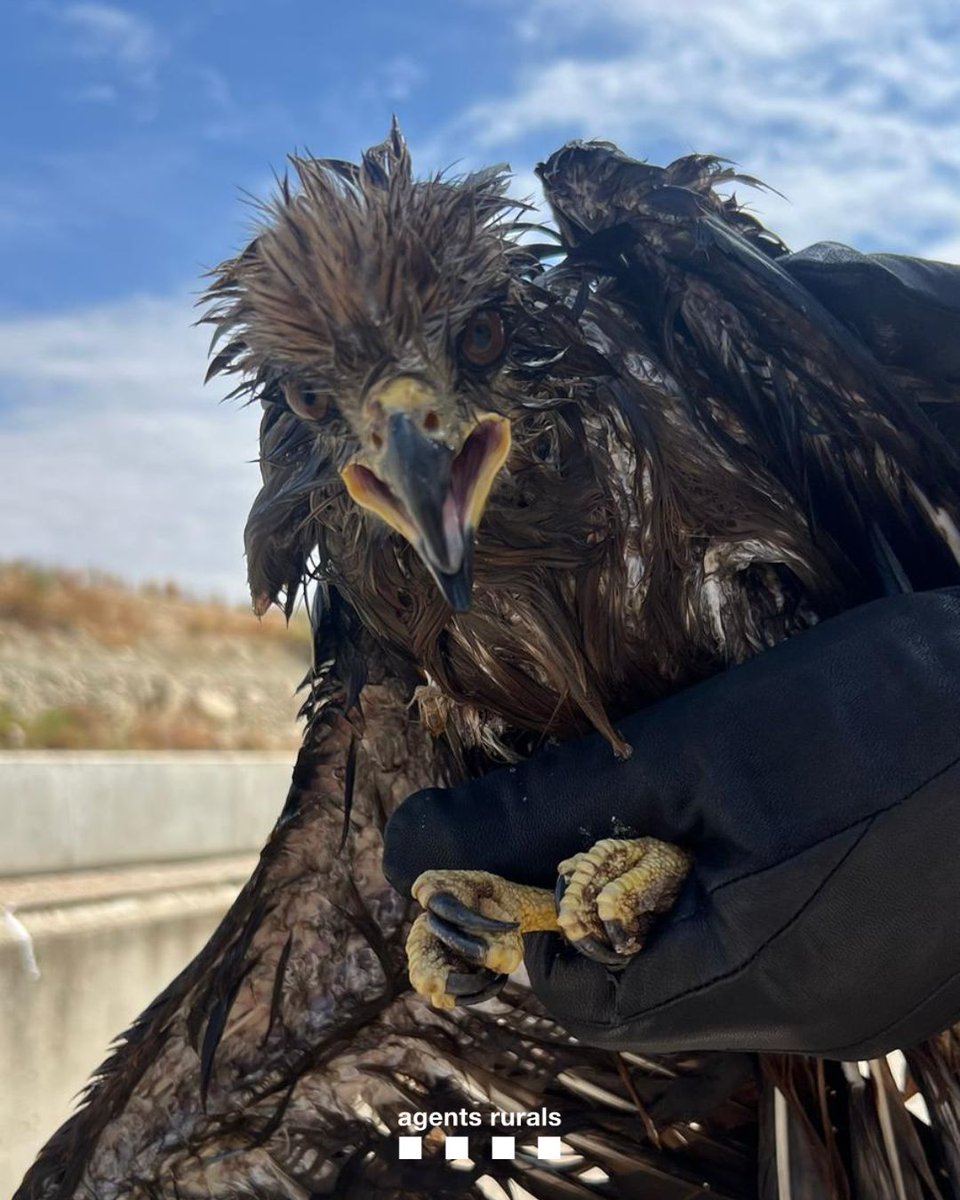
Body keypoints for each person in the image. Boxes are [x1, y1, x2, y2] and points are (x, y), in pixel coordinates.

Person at [383, 245, 960, 1060]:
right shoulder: (371, 561)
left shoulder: (645, 301)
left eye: (475, 341)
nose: (406, 433)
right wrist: (509, 919)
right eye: (315, 397)